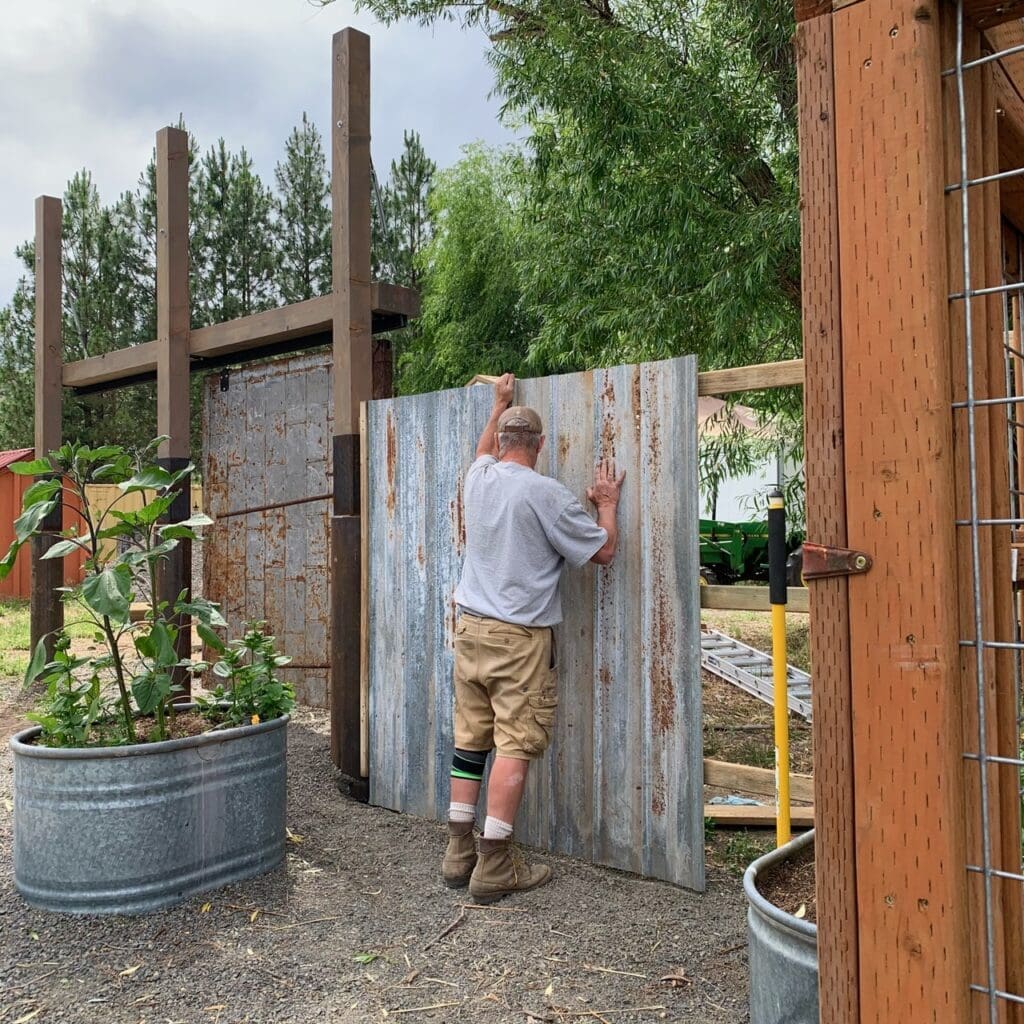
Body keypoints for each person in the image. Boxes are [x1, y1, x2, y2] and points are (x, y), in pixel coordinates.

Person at [442, 372, 625, 903]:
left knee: (469, 742)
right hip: (518, 641)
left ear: (500, 442)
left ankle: (458, 854)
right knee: (514, 745)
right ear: (540, 445)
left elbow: (481, 451)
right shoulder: (547, 495)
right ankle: (494, 865)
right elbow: (604, 552)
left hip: (470, 632)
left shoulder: (479, 478)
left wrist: (497, 405)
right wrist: (607, 503)